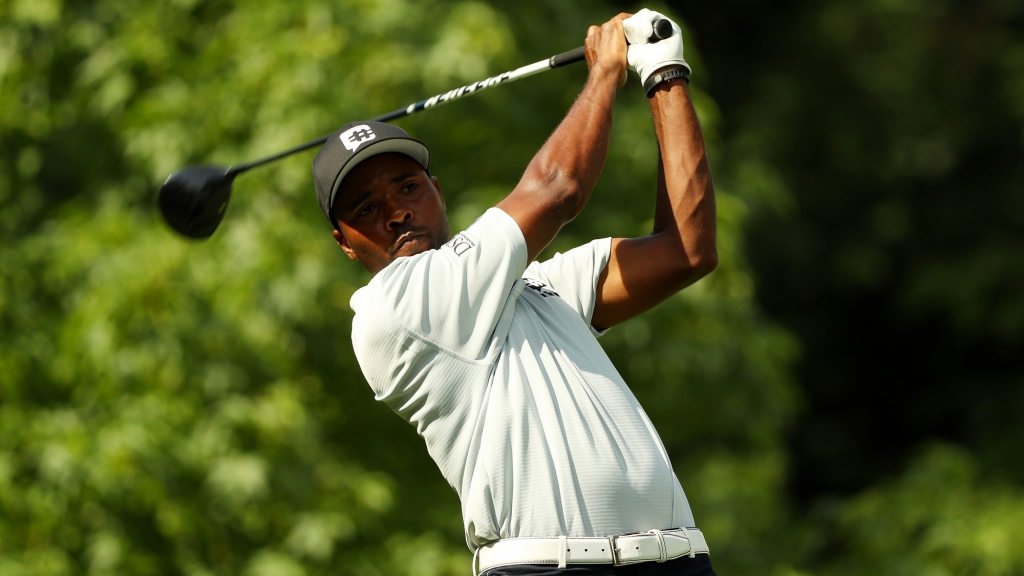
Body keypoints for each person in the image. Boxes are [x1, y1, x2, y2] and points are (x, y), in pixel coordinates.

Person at [311, 9, 717, 576]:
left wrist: (664, 77)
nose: (397, 211)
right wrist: (605, 73)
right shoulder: (392, 311)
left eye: (407, 187)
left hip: (677, 561)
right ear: (345, 244)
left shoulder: (537, 286)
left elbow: (686, 250)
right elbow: (557, 188)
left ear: (438, 192)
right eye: (366, 209)